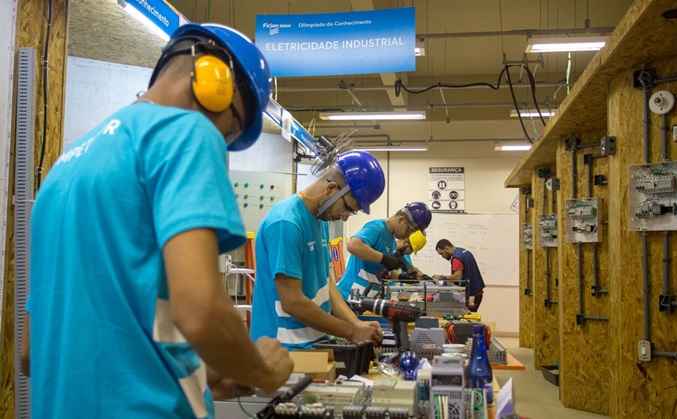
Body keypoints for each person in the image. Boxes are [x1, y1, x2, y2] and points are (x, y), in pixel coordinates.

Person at [23, 23, 294, 418]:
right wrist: (260, 369)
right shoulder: (187, 132)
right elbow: (200, 311)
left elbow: (33, 350)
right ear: (214, 83)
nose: (223, 142)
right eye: (232, 125)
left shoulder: (62, 171)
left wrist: (200, 368)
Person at [250, 151, 386, 349]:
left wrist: (356, 324)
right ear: (332, 189)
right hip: (282, 348)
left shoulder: (320, 220)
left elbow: (327, 284)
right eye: (348, 207)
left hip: (313, 344)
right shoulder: (286, 223)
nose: (346, 217)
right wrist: (350, 331)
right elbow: (292, 302)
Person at [337, 202, 432, 299]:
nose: (408, 236)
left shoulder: (391, 242)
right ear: (401, 220)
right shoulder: (377, 227)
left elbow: (379, 272)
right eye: (409, 231)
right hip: (348, 295)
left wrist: (409, 276)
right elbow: (353, 245)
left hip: (365, 298)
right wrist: (383, 258)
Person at [433, 239, 486, 311]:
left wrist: (441, 277)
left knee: (467, 317)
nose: (442, 256)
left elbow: (457, 277)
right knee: (471, 315)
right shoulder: (463, 251)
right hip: (477, 292)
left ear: (446, 248)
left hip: (471, 295)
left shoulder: (456, 258)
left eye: (442, 253)